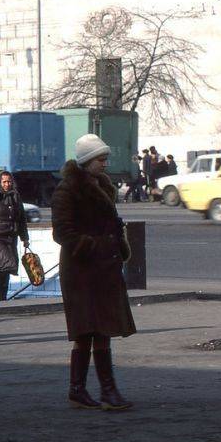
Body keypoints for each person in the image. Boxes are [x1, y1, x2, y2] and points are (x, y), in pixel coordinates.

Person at [52, 134, 135, 411]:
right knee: (87, 331)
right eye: (101, 159)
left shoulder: (100, 186)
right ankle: (90, 391)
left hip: (102, 270)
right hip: (82, 272)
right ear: (87, 161)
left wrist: (115, 244)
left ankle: (100, 391)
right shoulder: (68, 189)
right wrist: (95, 246)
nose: (105, 164)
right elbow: (63, 233)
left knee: (103, 330)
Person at [0, 172, 29, 300]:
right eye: (4, 182)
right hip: (0, 238)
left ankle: (2, 299)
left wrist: (25, 238)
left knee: (6, 271)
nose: (7, 184)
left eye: (9, 181)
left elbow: (21, 218)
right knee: (7, 265)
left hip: (12, 238)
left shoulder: (16, 196)